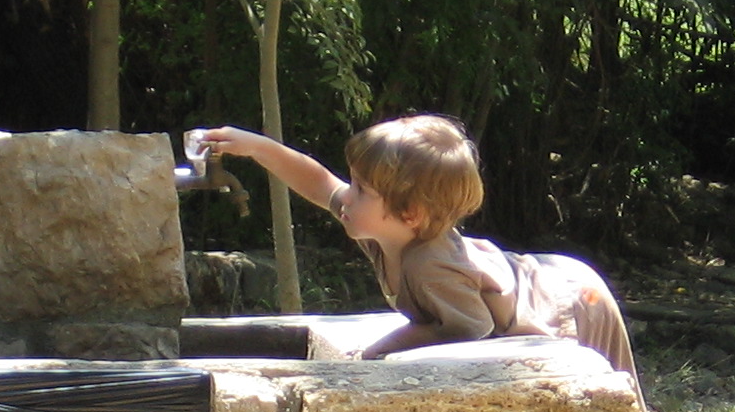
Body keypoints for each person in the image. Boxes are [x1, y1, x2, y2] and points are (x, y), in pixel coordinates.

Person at [193, 115, 639, 377]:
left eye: (361, 190)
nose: (346, 196)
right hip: (559, 279)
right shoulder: (383, 229)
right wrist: (258, 148)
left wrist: (379, 350)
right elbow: (320, 183)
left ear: (410, 214)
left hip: (571, 299)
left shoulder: (428, 262)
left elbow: (470, 329)